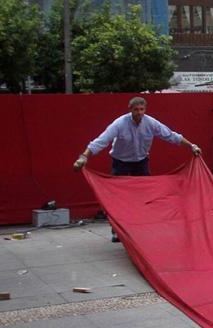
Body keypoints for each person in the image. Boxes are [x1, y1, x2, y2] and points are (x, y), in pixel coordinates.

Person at [74, 96, 201, 242]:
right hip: (120, 163)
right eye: (136, 110)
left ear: (145, 110)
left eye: (142, 109)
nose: (139, 112)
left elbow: (171, 136)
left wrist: (192, 146)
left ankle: (141, 227)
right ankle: (117, 231)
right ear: (130, 110)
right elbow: (101, 141)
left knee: (144, 196)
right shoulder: (119, 123)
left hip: (141, 162)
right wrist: (84, 157)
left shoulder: (150, 123)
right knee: (118, 199)